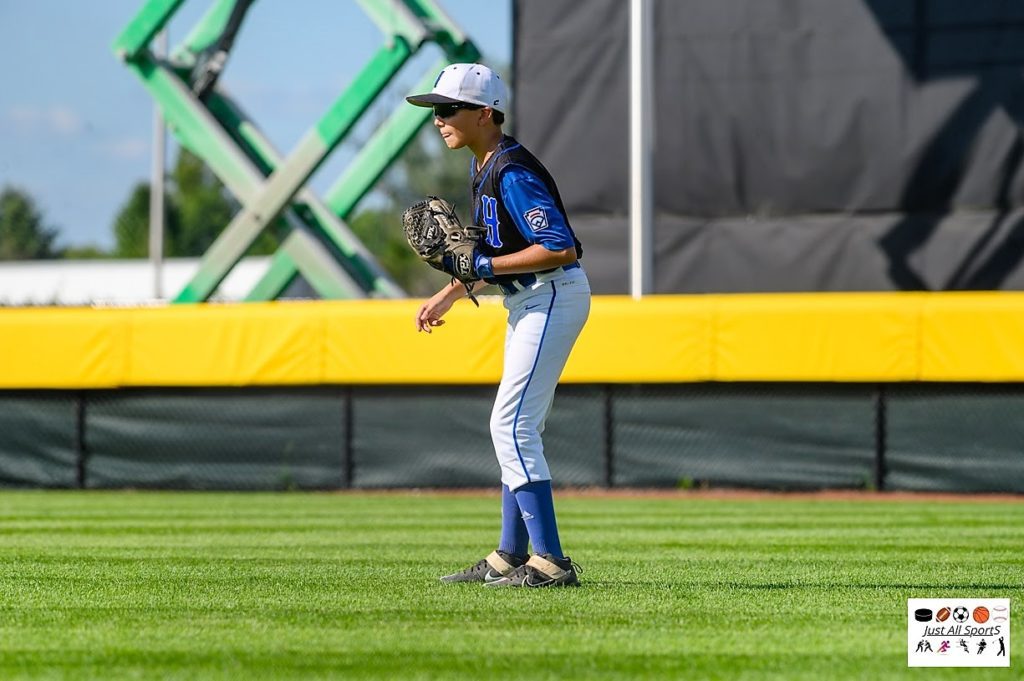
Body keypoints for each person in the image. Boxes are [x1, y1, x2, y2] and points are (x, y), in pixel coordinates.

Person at [406, 63, 589, 587]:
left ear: (485, 114)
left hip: (551, 294)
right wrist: (451, 292)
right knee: (515, 428)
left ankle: (550, 562)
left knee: (511, 427)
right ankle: (510, 554)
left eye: (447, 110)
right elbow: (492, 251)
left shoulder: (512, 170)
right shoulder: (482, 164)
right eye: (434, 111)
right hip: (529, 301)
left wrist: (482, 268)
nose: (438, 119)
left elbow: (558, 247)